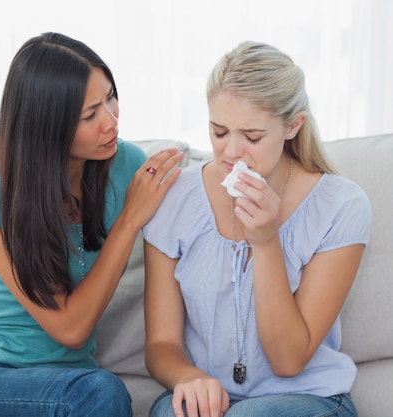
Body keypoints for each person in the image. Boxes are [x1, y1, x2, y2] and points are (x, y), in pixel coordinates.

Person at [0, 32, 184, 417]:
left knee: (100, 393)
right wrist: (129, 220)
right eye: (90, 115)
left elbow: (198, 202)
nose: (111, 121)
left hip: (75, 385)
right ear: (47, 125)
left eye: (110, 97)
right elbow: (70, 329)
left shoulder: (125, 165)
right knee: (101, 393)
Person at [143, 41, 371, 417]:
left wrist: (266, 244)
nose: (231, 152)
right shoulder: (175, 198)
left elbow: (287, 360)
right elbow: (161, 343)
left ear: (293, 126)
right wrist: (188, 378)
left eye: (252, 137)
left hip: (308, 399)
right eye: (219, 132)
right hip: (211, 401)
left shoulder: (342, 207)